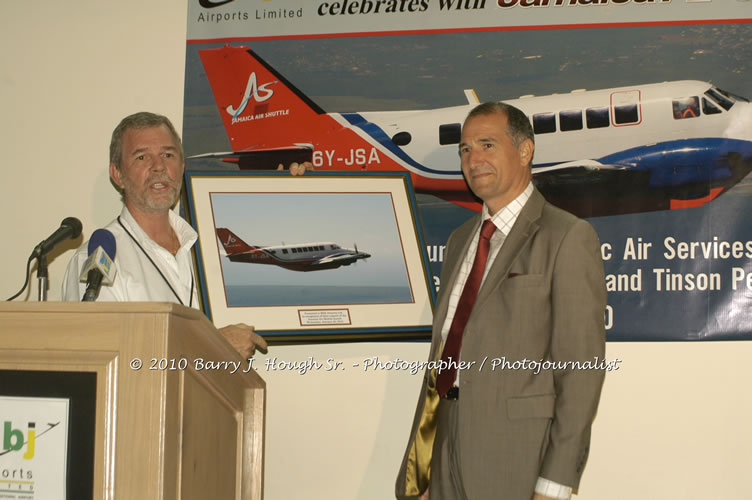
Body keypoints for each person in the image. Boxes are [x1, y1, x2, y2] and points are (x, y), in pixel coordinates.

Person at [395, 102, 607, 500]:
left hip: (517, 457)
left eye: (487, 145)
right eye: (465, 149)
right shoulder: (461, 240)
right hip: (444, 450)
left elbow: (581, 371)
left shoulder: (567, 237)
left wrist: (555, 483)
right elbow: (446, 355)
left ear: (524, 151)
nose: (473, 159)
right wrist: (425, 469)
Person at [62, 111, 311, 357]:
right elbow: (101, 359)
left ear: (181, 166)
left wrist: (293, 193)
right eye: (141, 157)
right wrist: (211, 347)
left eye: (167, 155)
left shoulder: (211, 249)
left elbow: (265, 299)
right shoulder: (99, 260)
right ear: (117, 175)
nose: (158, 166)